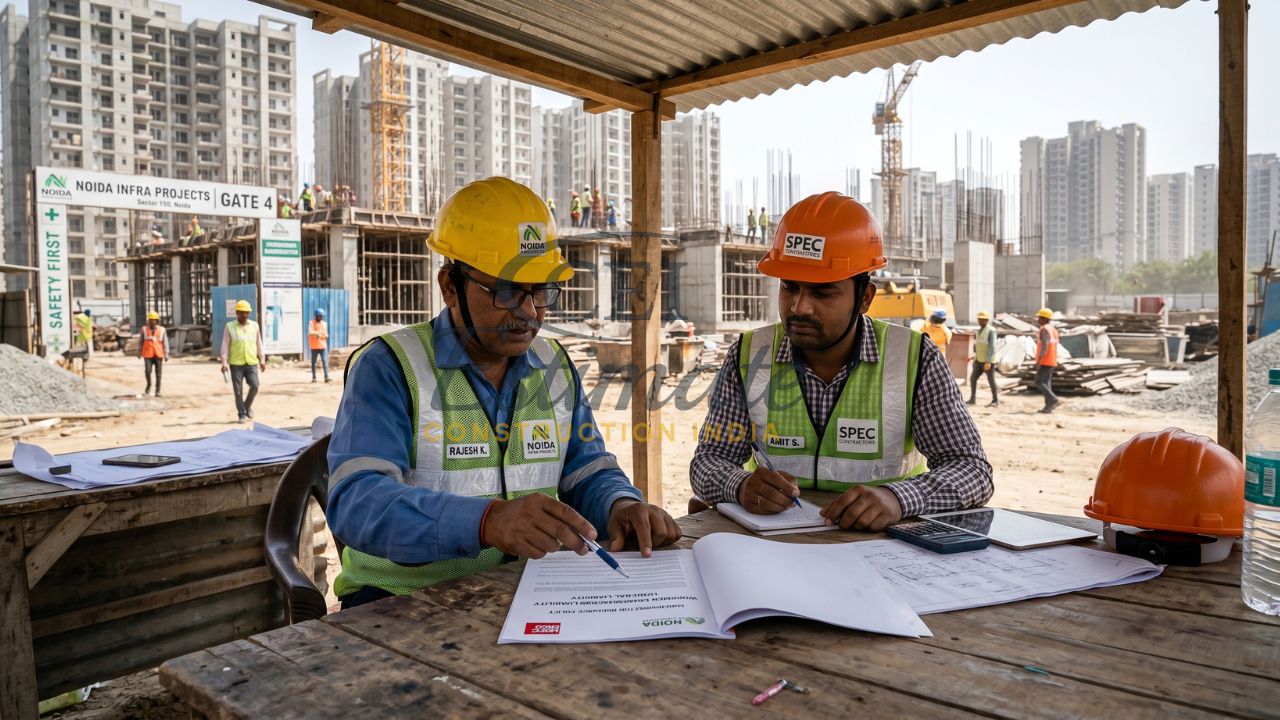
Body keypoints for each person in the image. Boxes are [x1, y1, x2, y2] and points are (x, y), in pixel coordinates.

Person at [327, 176, 680, 608]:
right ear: (449, 287)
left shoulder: (554, 366)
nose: (529, 312)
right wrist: (485, 522)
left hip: (526, 589)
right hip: (398, 601)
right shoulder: (388, 367)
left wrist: (620, 505)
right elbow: (357, 501)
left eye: (541, 291)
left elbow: (586, 470)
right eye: (508, 291)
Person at [689, 192, 992, 532]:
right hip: (780, 546)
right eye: (790, 287)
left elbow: (972, 470)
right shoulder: (748, 355)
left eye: (822, 292)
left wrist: (898, 498)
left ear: (864, 297)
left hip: (885, 548)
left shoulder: (914, 358)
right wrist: (740, 485)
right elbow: (708, 461)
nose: (799, 307)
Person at [219, 300, 266, 423]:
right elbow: (225, 344)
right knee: (238, 390)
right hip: (236, 364)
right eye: (242, 313)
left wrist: (262, 359)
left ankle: (246, 406)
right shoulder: (230, 326)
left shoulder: (254, 326)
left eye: (247, 313)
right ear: (237, 313)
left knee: (255, 386)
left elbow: (259, 343)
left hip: (251, 362)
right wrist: (224, 362)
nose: (245, 315)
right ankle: (241, 414)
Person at [968, 311, 998, 407]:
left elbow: (992, 347)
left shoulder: (991, 331)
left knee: (991, 381)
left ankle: (995, 400)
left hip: (988, 361)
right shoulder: (979, 330)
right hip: (979, 360)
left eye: (982, 320)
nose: (980, 321)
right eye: (979, 319)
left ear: (986, 320)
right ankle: (972, 399)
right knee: (973, 379)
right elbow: (978, 345)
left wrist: (988, 361)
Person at [1035, 307, 1060, 413]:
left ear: (1044, 319)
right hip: (1052, 360)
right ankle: (1048, 406)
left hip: (1045, 361)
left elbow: (1044, 347)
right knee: (1046, 383)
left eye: (1040, 317)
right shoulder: (1053, 329)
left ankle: (1053, 399)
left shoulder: (1044, 329)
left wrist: (1039, 361)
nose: (1038, 320)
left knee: (1038, 382)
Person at [139, 310, 169, 397]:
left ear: (157, 321)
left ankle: (158, 391)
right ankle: (148, 386)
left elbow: (165, 342)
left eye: (153, 320)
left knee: (158, 374)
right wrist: (138, 351)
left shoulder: (162, 330)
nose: (152, 321)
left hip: (158, 354)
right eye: (150, 320)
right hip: (147, 354)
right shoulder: (144, 329)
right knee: (148, 371)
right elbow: (141, 341)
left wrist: (166, 353)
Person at [309, 308, 330, 383]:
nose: (321, 317)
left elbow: (326, 334)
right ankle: (314, 377)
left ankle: (326, 376)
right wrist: (318, 333)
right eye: (319, 316)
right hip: (314, 347)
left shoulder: (324, 324)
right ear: (316, 316)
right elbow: (310, 332)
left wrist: (323, 335)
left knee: (325, 361)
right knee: (313, 362)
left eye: (322, 316)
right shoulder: (311, 323)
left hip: (323, 346)